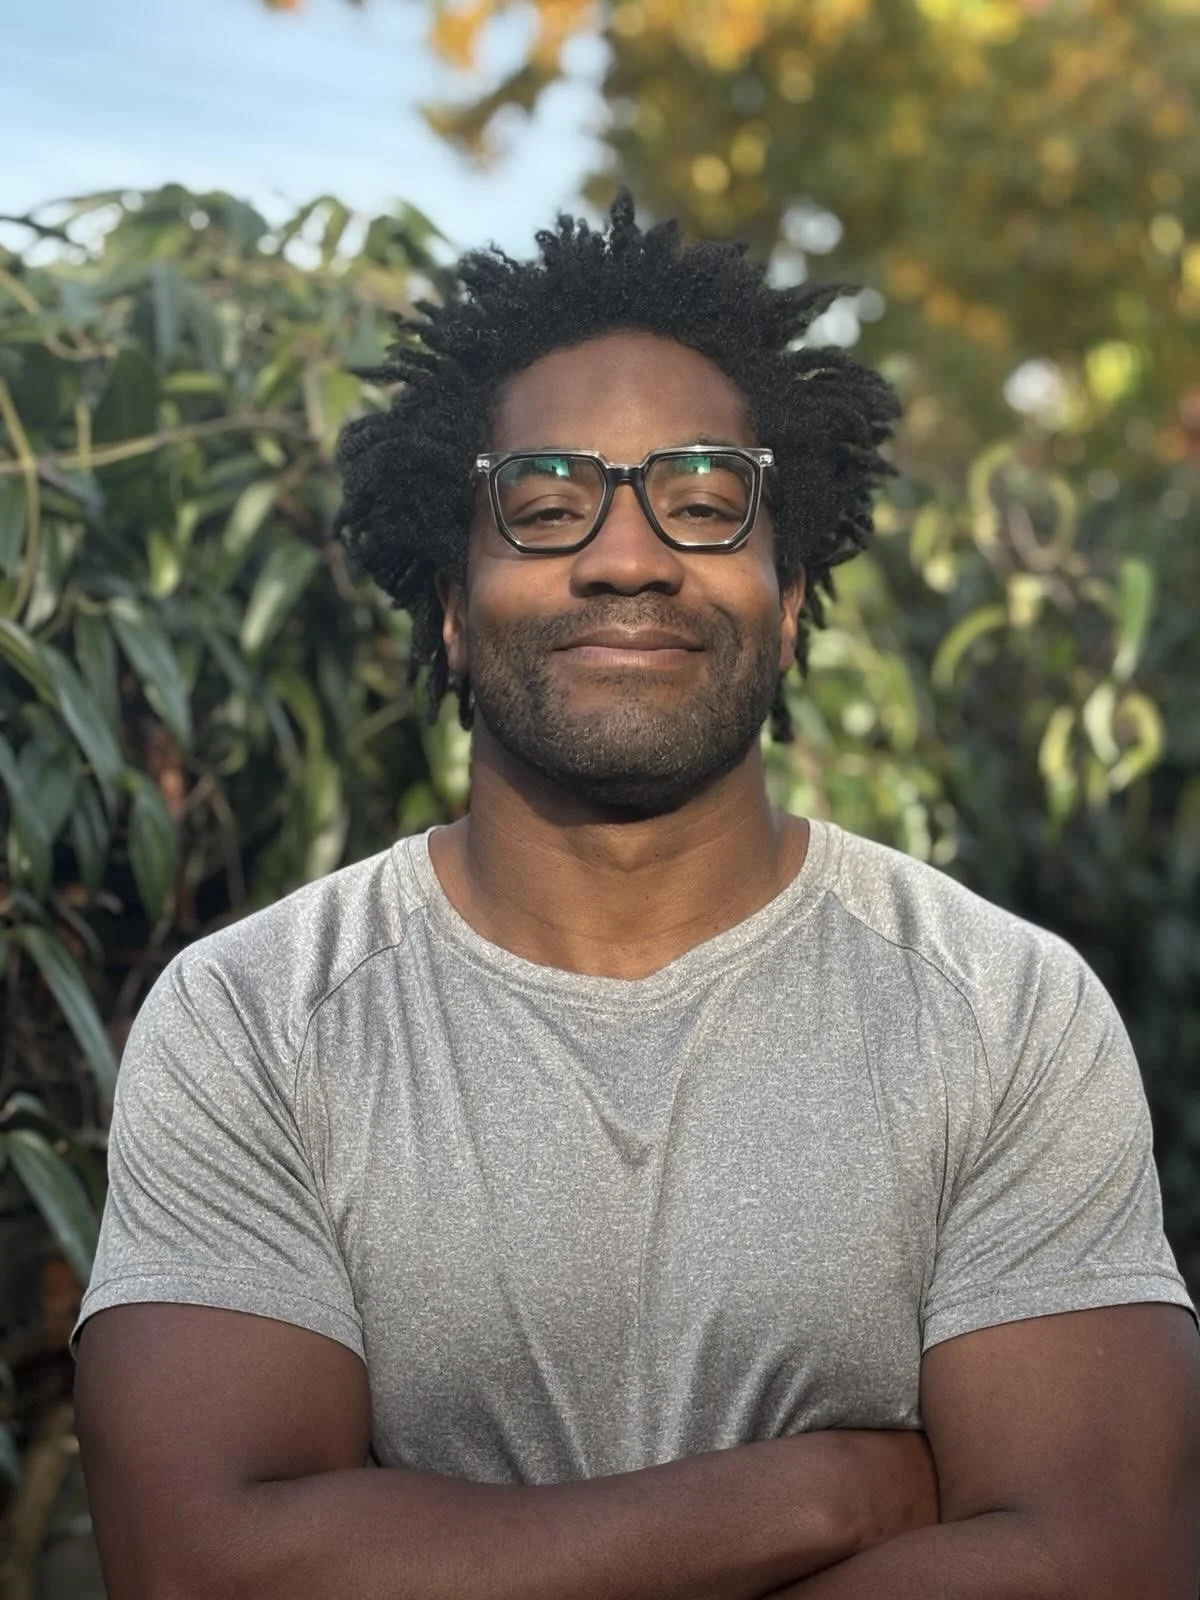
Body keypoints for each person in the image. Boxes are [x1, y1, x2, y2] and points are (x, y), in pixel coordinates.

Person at [72, 194, 1200, 1599]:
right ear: (450, 605)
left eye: (706, 500)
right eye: (545, 506)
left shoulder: (1005, 1013)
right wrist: (828, 1488)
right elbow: (205, 1567)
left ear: (790, 600)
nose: (625, 554)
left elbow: (1102, 1562)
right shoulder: (254, 1022)